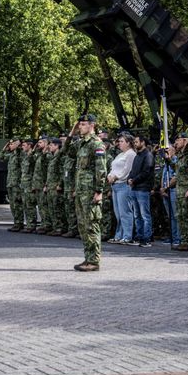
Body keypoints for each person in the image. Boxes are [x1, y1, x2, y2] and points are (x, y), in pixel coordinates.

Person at [66, 114, 107, 271]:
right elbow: (67, 152)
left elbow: (101, 169)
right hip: (81, 191)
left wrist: (99, 191)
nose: (80, 127)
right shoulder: (81, 143)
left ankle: (94, 261)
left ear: (92, 125)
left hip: (91, 191)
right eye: (80, 125)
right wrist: (71, 133)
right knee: (83, 226)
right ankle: (88, 258)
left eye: (83, 124)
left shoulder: (96, 144)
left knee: (91, 225)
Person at [106, 133, 136, 244]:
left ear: (128, 143)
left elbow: (127, 170)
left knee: (125, 212)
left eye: (122, 141)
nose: (119, 143)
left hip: (123, 184)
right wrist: (109, 175)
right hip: (115, 185)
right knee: (118, 213)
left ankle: (127, 236)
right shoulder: (120, 155)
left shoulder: (131, 154)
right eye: (119, 142)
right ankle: (119, 235)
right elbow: (113, 167)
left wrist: (116, 176)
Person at [128, 134, 156, 247]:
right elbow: (133, 170)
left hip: (143, 188)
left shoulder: (148, 155)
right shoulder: (137, 155)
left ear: (143, 142)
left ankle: (147, 238)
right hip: (135, 187)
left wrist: (134, 180)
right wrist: (129, 179)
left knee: (145, 215)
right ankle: (139, 237)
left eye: (136, 142)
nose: (135, 144)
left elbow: (146, 171)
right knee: (137, 214)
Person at [2, 139, 24, 232]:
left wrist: (17, 145)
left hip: (16, 184)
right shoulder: (11, 155)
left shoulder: (20, 154)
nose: (10, 145)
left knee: (17, 204)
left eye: (12, 144)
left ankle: (19, 223)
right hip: (10, 183)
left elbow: (19, 152)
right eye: (10, 144)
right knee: (12, 205)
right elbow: (1, 157)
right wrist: (5, 147)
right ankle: (16, 222)